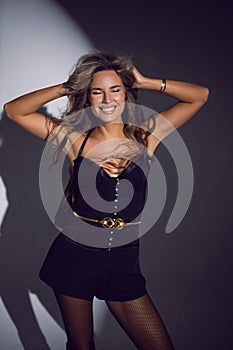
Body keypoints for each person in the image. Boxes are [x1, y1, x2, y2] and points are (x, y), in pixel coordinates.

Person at [4, 50, 209, 350]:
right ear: (87, 98)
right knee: (82, 345)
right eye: (97, 92)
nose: (107, 99)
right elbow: (14, 110)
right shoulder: (74, 140)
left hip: (124, 260)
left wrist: (147, 81)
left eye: (115, 90)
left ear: (126, 94)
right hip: (75, 257)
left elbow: (199, 96)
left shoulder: (146, 136)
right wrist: (69, 85)